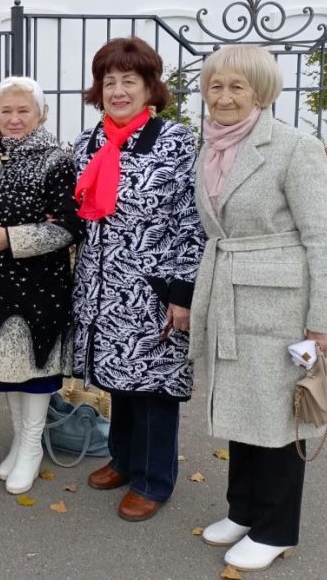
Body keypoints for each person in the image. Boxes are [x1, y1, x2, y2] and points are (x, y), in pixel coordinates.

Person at [189, 45, 327, 572]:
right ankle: (244, 510)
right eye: (216, 86)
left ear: (261, 91)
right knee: (240, 406)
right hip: (229, 291)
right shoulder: (209, 146)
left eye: (238, 86)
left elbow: (324, 237)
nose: (225, 96)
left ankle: (276, 528)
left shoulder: (293, 147)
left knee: (280, 414)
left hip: (281, 303)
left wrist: (326, 321)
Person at [72, 37, 206, 521]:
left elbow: (193, 222)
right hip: (102, 286)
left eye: (130, 81)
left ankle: (155, 480)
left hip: (153, 287)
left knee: (154, 387)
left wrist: (183, 293)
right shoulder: (89, 141)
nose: (119, 91)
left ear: (150, 87)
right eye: (110, 82)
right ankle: (125, 461)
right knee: (119, 379)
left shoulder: (175, 142)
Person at [0, 77, 84, 495]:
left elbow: (70, 227)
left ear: (42, 114)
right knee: (7, 371)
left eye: (23, 111)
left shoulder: (57, 160)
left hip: (38, 284)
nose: (14, 120)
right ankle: (19, 439)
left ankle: (32, 447)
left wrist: (12, 238)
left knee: (33, 370)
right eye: (6, 112)